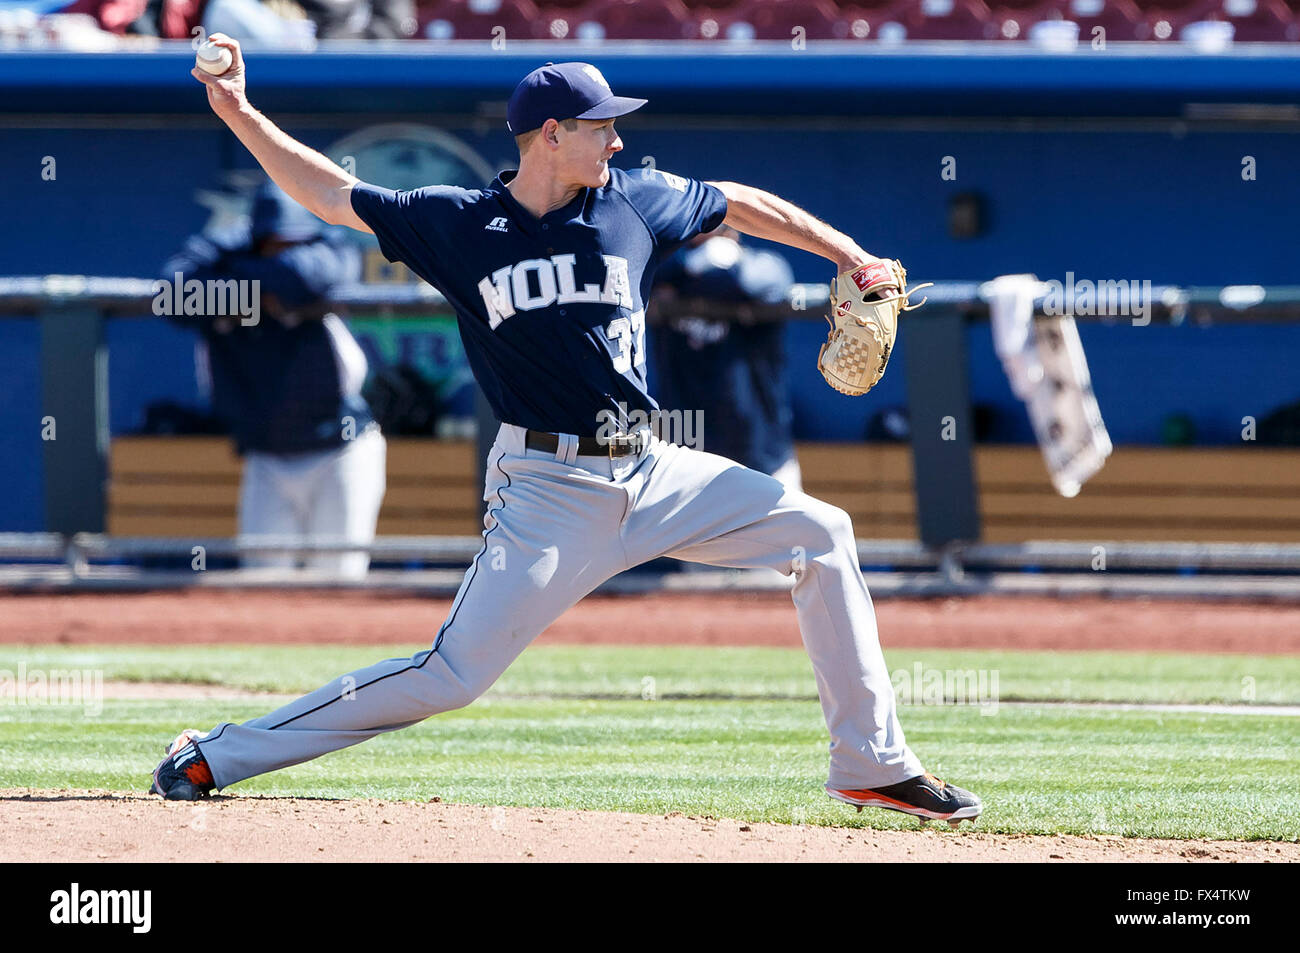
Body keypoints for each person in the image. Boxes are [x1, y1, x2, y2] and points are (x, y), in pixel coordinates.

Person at [152, 45, 982, 827]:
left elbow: (739, 200)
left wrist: (851, 254)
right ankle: (218, 754)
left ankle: (870, 761)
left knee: (821, 531)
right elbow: (329, 193)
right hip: (546, 491)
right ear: (552, 135)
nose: (618, 139)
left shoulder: (635, 201)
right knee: (450, 676)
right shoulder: (461, 225)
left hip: (655, 471)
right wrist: (236, 109)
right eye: (601, 126)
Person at [161, 178, 386, 579]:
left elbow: (304, 277)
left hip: (341, 448)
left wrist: (235, 282)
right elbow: (171, 297)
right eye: (276, 242)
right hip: (266, 456)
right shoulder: (225, 249)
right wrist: (261, 289)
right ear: (256, 237)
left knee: (339, 582)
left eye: (293, 242)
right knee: (263, 584)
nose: (287, 249)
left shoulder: (326, 246)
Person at [649, 223, 802, 492]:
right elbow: (638, 276)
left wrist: (717, 266)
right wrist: (693, 263)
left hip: (761, 453)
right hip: (687, 457)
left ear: (732, 234)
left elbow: (762, 281)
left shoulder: (761, 265)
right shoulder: (663, 268)